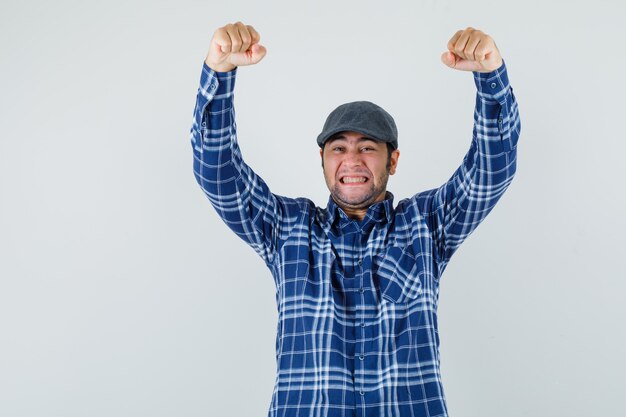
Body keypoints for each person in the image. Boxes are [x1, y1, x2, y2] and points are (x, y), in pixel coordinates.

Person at [189, 21, 520, 417]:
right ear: (323, 160)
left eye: (367, 147)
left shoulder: (426, 225)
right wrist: (220, 74)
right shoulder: (287, 228)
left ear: (392, 160)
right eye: (338, 148)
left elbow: (491, 169)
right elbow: (217, 171)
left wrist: (490, 78)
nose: (351, 160)